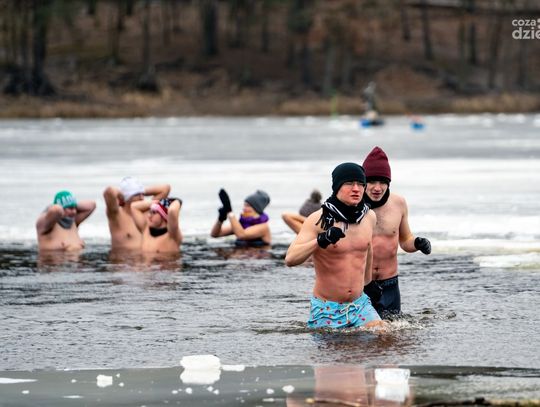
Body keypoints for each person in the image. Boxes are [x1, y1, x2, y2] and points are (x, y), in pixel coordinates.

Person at [285, 163, 384, 329]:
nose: (356, 189)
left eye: (361, 184)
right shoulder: (318, 219)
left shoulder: (369, 217)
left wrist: (368, 283)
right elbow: (290, 259)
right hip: (327, 308)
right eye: (349, 183)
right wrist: (321, 240)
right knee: (334, 347)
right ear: (337, 186)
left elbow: (367, 249)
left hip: (360, 304)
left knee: (384, 337)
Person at [362, 146, 431, 318]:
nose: (377, 188)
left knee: (394, 332)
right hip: (361, 283)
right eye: (372, 181)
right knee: (361, 333)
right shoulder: (353, 206)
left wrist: (418, 243)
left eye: (383, 182)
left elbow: (405, 240)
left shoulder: (398, 203)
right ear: (363, 182)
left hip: (390, 283)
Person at [103, 177, 170, 251]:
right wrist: (122, 196)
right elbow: (109, 191)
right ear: (127, 197)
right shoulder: (116, 215)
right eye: (137, 194)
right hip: (123, 257)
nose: (142, 198)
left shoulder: (146, 213)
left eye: (142, 194)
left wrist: (140, 190)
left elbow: (165, 189)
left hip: (146, 257)